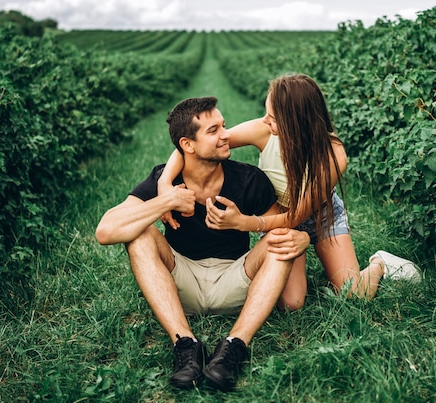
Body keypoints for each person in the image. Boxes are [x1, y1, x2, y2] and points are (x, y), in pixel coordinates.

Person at [95, 96, 310, 392]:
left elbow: (284, 222)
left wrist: (303, 235)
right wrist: (165, 200)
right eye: (213, 131)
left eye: (222, 126)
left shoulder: (249, 179)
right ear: (188, 145)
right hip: (180, 283)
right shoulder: (164, 180)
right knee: (140, 234)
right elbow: (106, 231)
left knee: (281, 238)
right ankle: (186, 345)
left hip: (235, 279)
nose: (226, 135)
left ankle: (234, 346)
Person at [158, 74, 421, 311]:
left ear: (296, 121)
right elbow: (197, 144)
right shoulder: (263, 131)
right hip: (276, 216)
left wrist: (243, 223)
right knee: (291, 303)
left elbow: (296, 217)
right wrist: (165, 185)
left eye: (272, 117)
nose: (264, 121)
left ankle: (381, 263)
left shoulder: (333, 154)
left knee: (355, 294)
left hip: (320, 217)